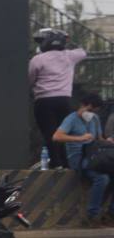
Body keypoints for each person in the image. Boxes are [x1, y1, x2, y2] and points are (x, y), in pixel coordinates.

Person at [53, 93, 114, 227]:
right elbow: (57, 136)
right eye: (90, 110)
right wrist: (79, 138)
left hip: (95, 155)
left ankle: (110, 214)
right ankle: (92, 215)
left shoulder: (95, 119)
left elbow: (99, 139)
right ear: (83, 106)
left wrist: (108, 142)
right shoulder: (71, 119)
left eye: (94, 111)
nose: (90, 114)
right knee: (102, 179)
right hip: (79, 157)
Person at [29, 28, 87, 169]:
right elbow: (83, 52)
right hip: (64, 100)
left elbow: (30, 80)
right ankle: (66, 163)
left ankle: (56, 163)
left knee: (49, 133)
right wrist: (66, 37)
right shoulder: (69, 56)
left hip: (44, 101)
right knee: (63, 133)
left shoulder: (37, 59)